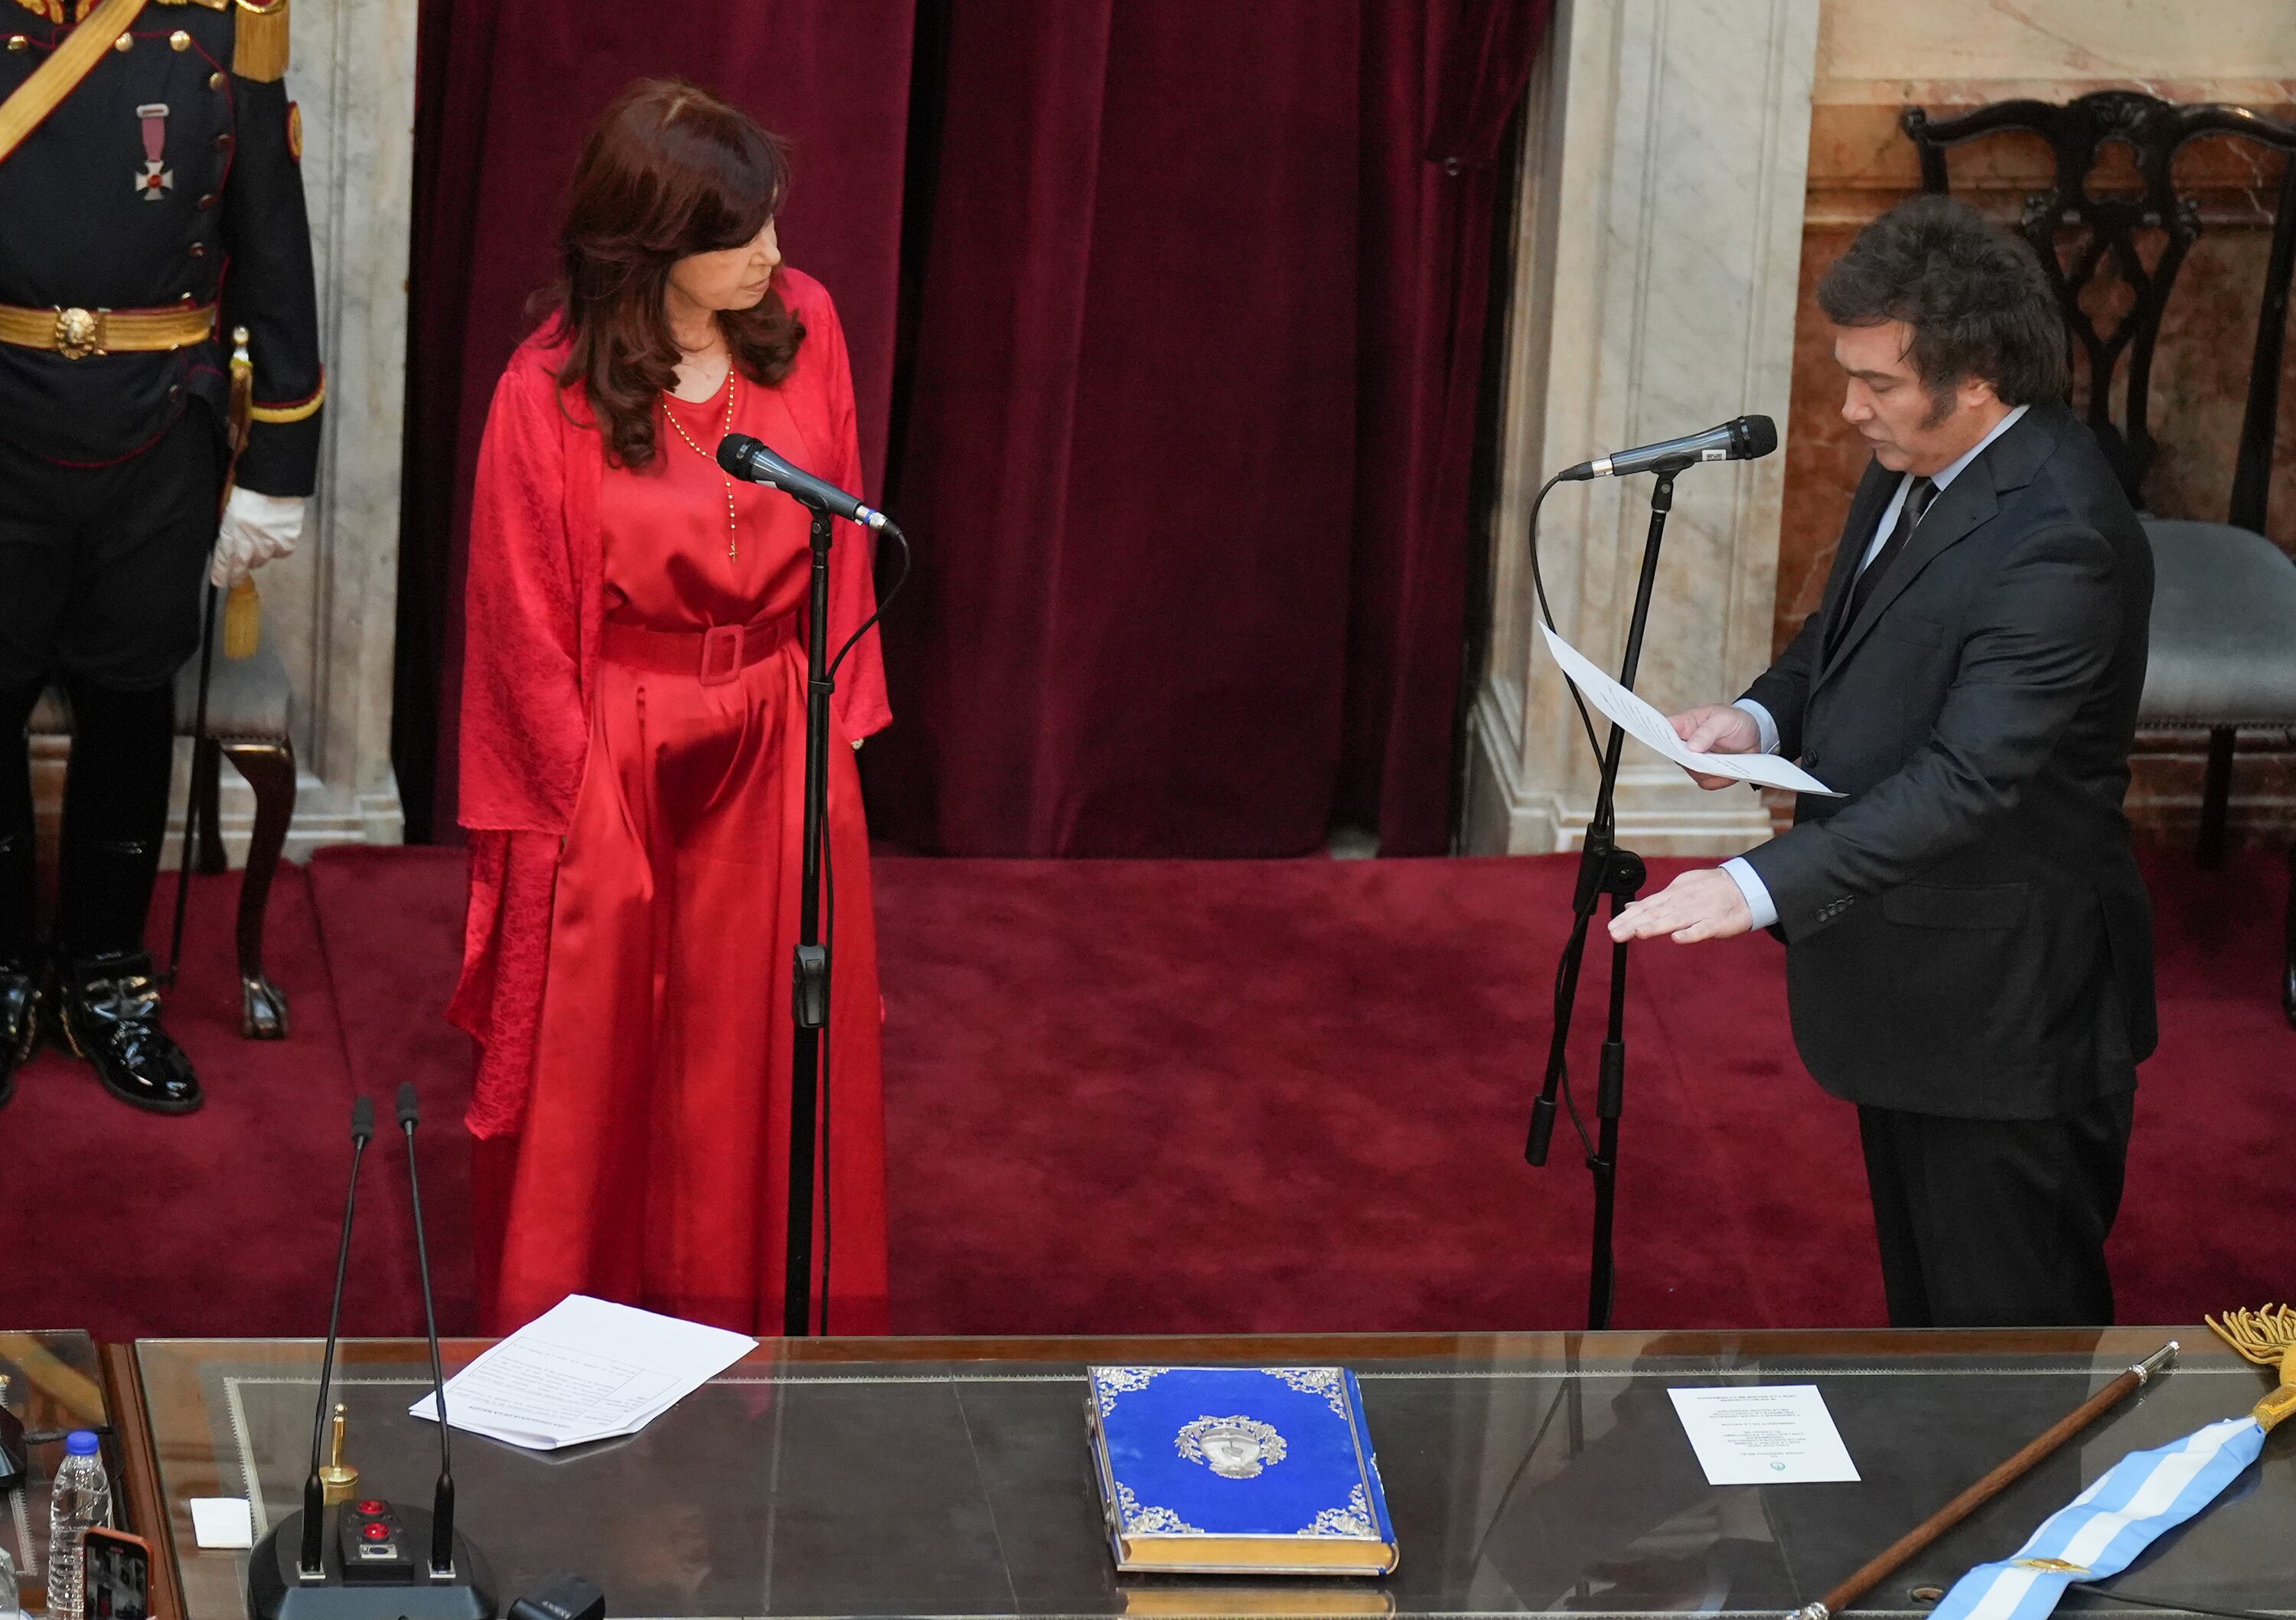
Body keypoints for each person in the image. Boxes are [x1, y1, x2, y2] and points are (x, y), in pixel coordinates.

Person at [1608, 195, 2155, 1328]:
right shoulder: (1920, 458)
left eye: (1880, 383)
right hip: (1915, 977)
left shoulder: (2061, 536)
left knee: (2006, 1359)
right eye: (1848, 374)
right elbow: (1844, 631)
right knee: (1930, 1336)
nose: (1849, 410)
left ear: (1982, 378)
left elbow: (1970, 777)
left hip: (2008, 1009)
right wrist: (1757, 721)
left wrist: (1753, 885)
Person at [452, 79, 892, 1335]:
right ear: (652, 244)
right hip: (615, 752)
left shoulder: (805, 322)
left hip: (778, 728)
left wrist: (838, 726)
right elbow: (521, 631)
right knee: (608, 1064)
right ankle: (576, 1342)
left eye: (771, 224)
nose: (773, 254)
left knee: (759, 1056)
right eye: (739, 235)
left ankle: (759, 1342)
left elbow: (843, 524)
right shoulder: (545, 394)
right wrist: (570, 808)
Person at [0, 0, 323, 1114]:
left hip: (156, 437)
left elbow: (272, 241)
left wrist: (281, 456)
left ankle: (107, 977)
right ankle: (2, 974)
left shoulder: (224, 29)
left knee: (131, 701)